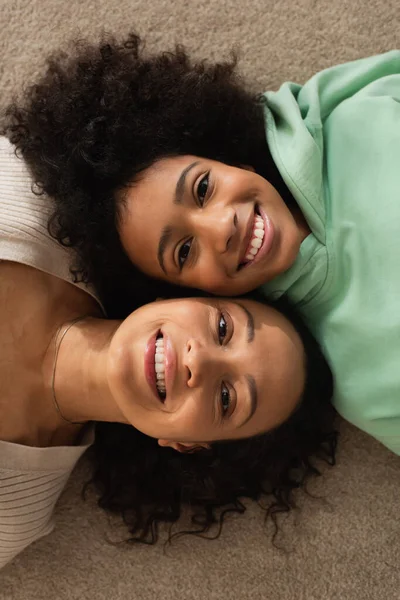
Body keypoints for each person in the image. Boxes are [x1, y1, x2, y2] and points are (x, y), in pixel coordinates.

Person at [5, 33, 398, 453]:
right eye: (184, 252)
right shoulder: (363, 383)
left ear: (228, 157)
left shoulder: (333, 111)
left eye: (203, 187)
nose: (221, 228)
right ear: (189, 293)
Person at [0, 138, 336, 568]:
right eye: (222, 327)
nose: (201, 361)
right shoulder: (22, 200)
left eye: (227, 399)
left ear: (187, 444)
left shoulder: (14, 513)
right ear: (179, 297)